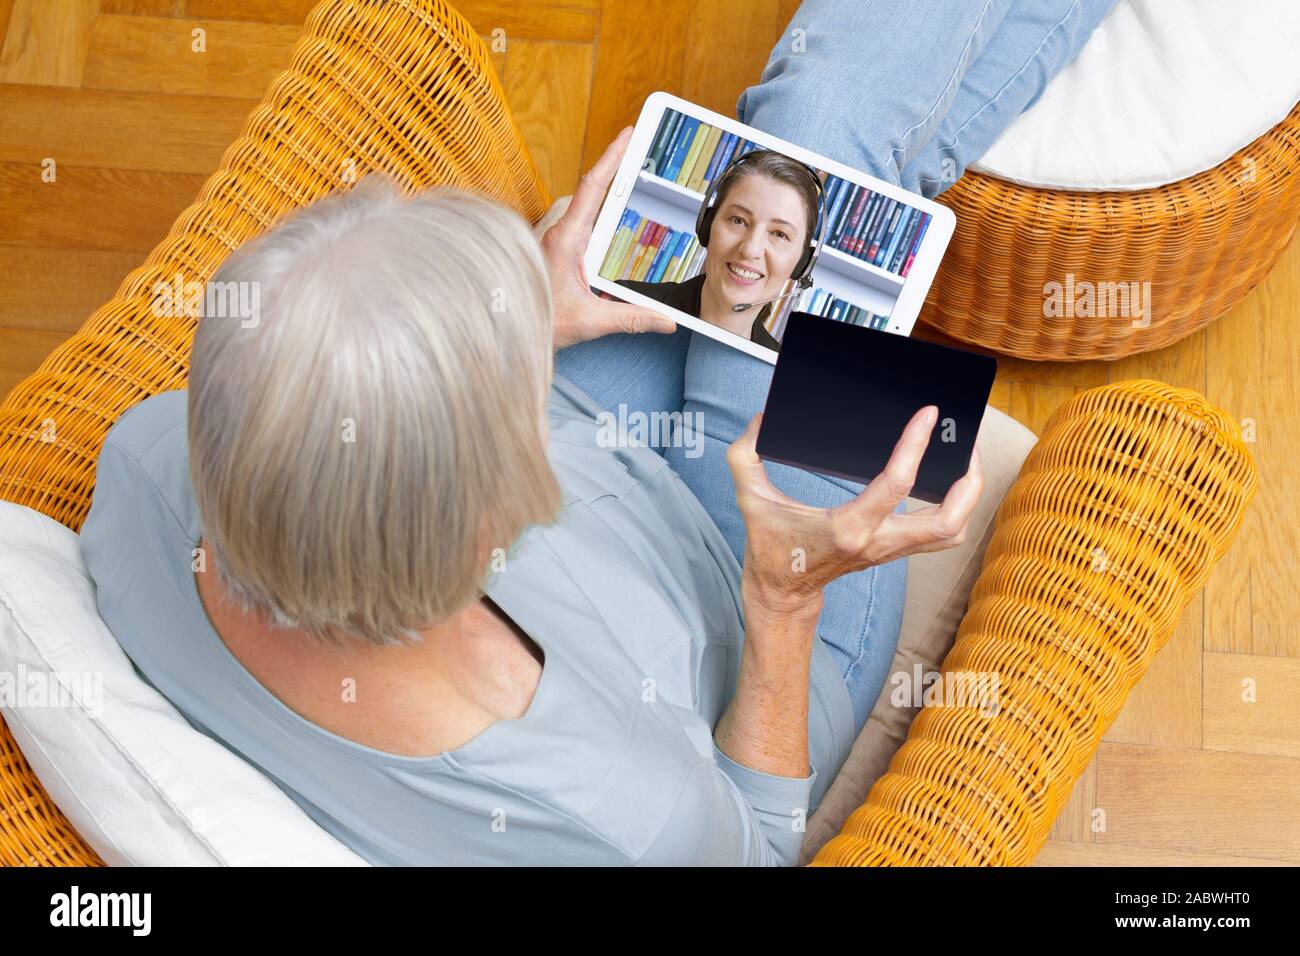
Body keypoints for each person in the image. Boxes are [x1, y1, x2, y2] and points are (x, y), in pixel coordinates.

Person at [79, 0, 1116, 866]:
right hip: (744, 583)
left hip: (588, 455)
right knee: (822, 132)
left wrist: (529, 311)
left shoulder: (150, 458)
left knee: (774, 181)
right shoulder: (620, 812)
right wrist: (786, 595)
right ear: (500, 505)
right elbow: (757, 844)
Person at [617, 149, 821, 351]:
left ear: (803, 262)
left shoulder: (776, 375)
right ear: (707, 225)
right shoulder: (620, 304)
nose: (750, 250)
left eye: (779, 234)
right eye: (738, 220)